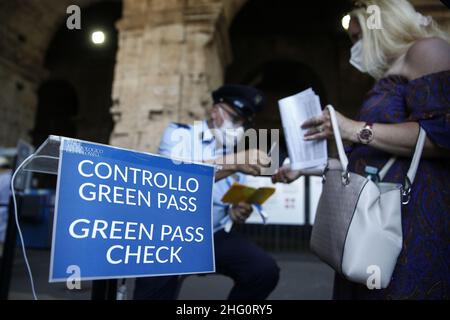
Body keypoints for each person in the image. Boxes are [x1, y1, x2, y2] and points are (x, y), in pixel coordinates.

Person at [273, 0, 450, 299]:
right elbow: (372, 154)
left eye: (358, 37)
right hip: (370, 224)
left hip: (410, 220)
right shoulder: (388, 74)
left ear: (383, 27)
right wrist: (306, 167)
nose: (355, 47)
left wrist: (351, 128)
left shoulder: (426, 50)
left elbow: (444, 132)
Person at [133, 84, 280, 300]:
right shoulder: (180, 135)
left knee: (264, 271)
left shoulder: (235, 153)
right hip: (169, 234)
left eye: (243, 122)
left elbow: (229, 199)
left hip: (212, 235)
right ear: (215, 111)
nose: (238, 127)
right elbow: (173, 178)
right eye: (234, 118)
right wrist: (232, 163)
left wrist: (237, 210)